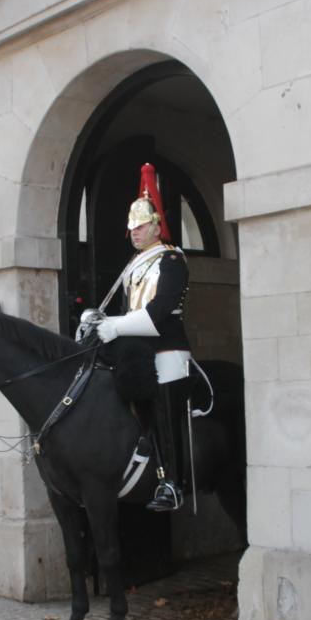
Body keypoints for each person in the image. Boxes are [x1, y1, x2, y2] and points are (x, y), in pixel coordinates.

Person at [93, 162, 192, 512]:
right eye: (131, 226)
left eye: (141, 225)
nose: (134, 231)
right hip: (137, 350)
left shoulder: (172, 261)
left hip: (166, 345)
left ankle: (172, 483)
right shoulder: (133, 265)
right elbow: (123, 309)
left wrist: (116, 326)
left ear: (156, 226)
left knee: (163, 407)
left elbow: (157, 314)